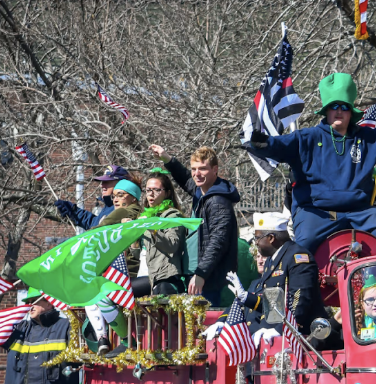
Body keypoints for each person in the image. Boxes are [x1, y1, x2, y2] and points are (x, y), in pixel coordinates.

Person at [246, 74, 376, 253]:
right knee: (304, 246)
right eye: (334, 107)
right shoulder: (306, 138)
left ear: (351, 111)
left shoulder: (368, 138)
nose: (339, 111)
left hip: (360, 210)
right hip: (316, 211)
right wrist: (261, 143)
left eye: (344, 107)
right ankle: (307, 281)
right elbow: (278, 146)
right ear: (326, 111)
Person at [150, 144, 240, 304]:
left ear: (215, 169)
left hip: (208, 279)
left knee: (201, 325)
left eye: (203, 169)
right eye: (194, 169)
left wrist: (201, 274)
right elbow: (185, 178)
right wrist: (167, 159)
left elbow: (218, 241)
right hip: (193, 272)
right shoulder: (202, 191)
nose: (197, 174)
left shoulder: (217, 201)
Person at [223, 211, 322, 339]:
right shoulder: (271, 260)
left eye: (258, 238)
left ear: (271, 238)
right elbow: (270, 303)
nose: (256, 243)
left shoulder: (298, 257)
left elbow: (299, 301)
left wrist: (280, 330)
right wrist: (246, 297)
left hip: (297, 334)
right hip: (272, 332)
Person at [132, 169, 186, 296]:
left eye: (156, 190)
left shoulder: (173, 216)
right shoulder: (146, 217)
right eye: (148, 190)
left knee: (116, 294)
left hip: (165, 277)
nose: (151, 194)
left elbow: (172, 245)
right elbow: (137, 255)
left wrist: (152, 228)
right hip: (148, 276)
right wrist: (133, 235)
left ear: (167, 193)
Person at [54, 165, 130, 230]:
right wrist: (73, 210)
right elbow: (93, 223)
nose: (102, 185)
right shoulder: (109, 207)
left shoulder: (122, 209)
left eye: (107, 182)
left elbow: (98, 231)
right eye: (102, 182)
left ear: (121, 184)